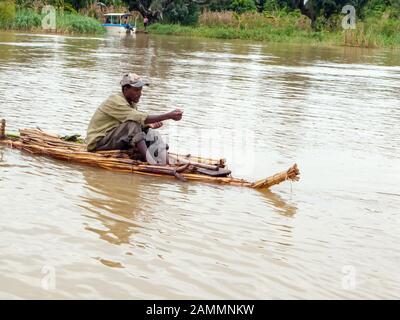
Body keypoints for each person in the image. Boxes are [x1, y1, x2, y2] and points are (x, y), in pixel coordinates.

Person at [86, 73, 183, 164]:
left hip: (113, 138)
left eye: (140, 90)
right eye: (136, 90)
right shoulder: (115, 101)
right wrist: (168, 115)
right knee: (133, 124)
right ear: (125, 89)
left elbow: (136, 120)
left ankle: (166, 163)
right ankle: (150, 162)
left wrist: (147, 126)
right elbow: (136, 119)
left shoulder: (131, 103)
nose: (140, 93)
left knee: (152, 132)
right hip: (98, 143)